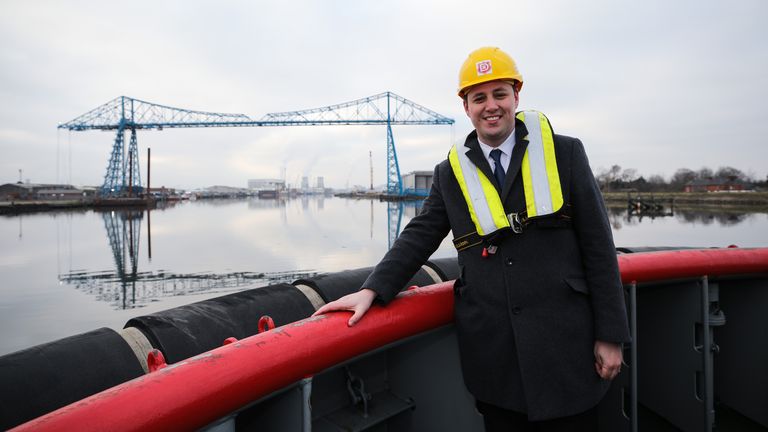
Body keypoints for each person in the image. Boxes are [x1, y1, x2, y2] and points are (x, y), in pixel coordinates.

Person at [314, 46, 630, 431]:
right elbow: (419, 235)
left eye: (500, 94)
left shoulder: (565, 153)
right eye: (478, 97)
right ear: (466, 107)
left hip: (566, 348)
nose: (490, 106)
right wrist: (372, 290)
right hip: (495, 356)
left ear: (517, 96)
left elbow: (599, 247)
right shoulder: (450, 173)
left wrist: (611, 335)